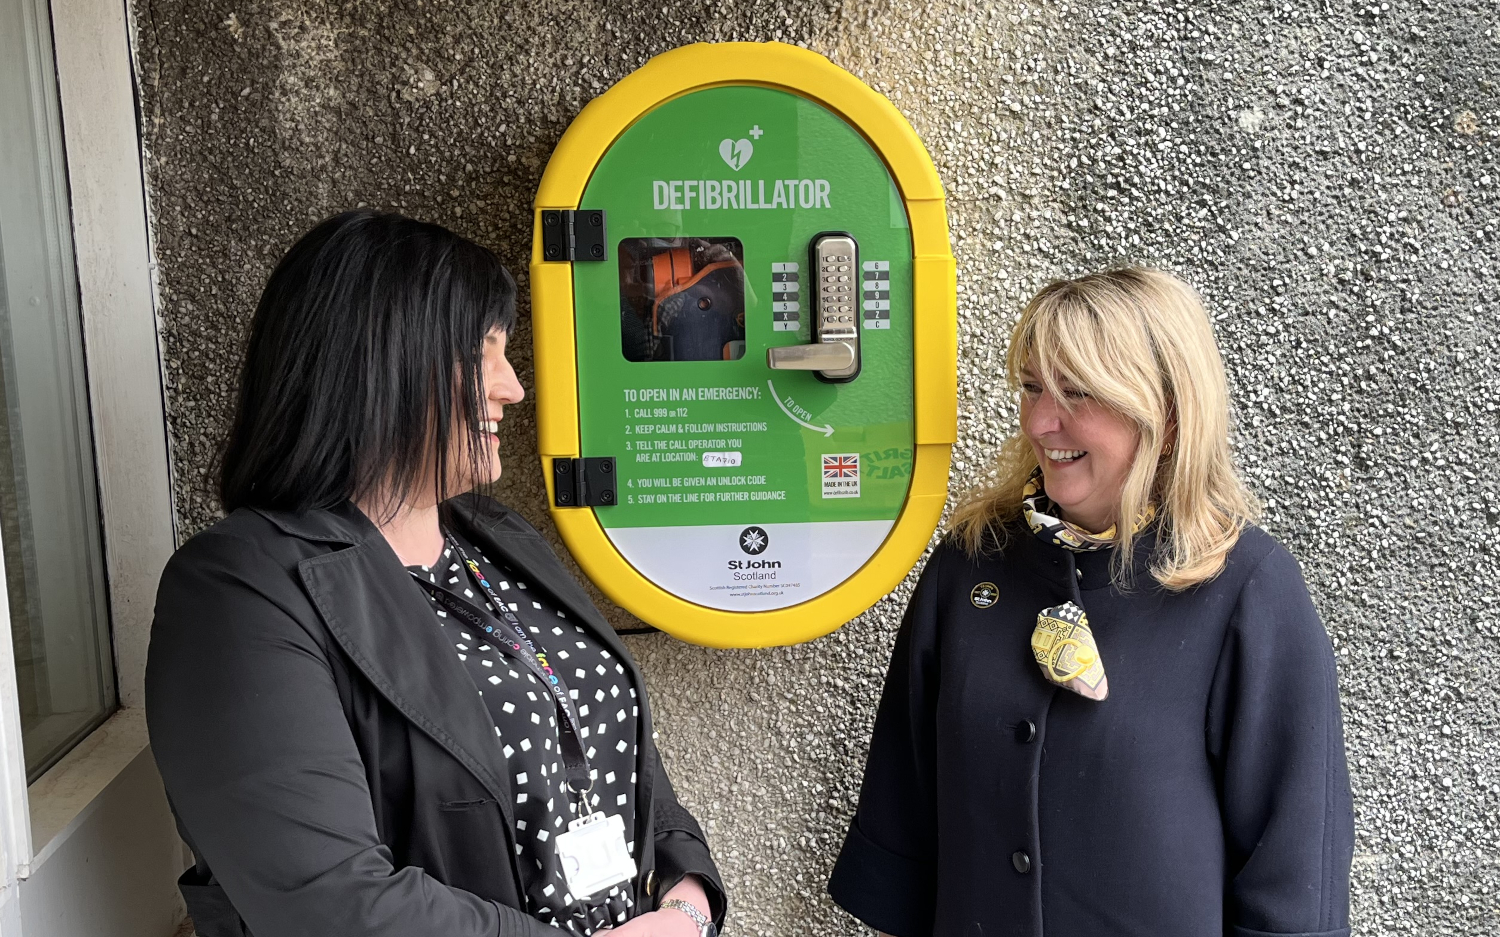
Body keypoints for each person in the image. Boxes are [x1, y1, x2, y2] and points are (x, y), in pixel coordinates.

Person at [146, 211, 725, 937]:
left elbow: (611, 743)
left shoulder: (495, 536)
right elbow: (332, 905)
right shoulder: (240, 592)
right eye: (482, 352)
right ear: (377, 357)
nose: (512, 388)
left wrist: (686, 900)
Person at [827, 268, 1353, 937]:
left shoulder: (1247, 591)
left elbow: (1294, 875)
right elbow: (903, 823)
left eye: (1079, 392)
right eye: (1032, 387)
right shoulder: (969, 568)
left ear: (1164, 410)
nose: (1043, 420)